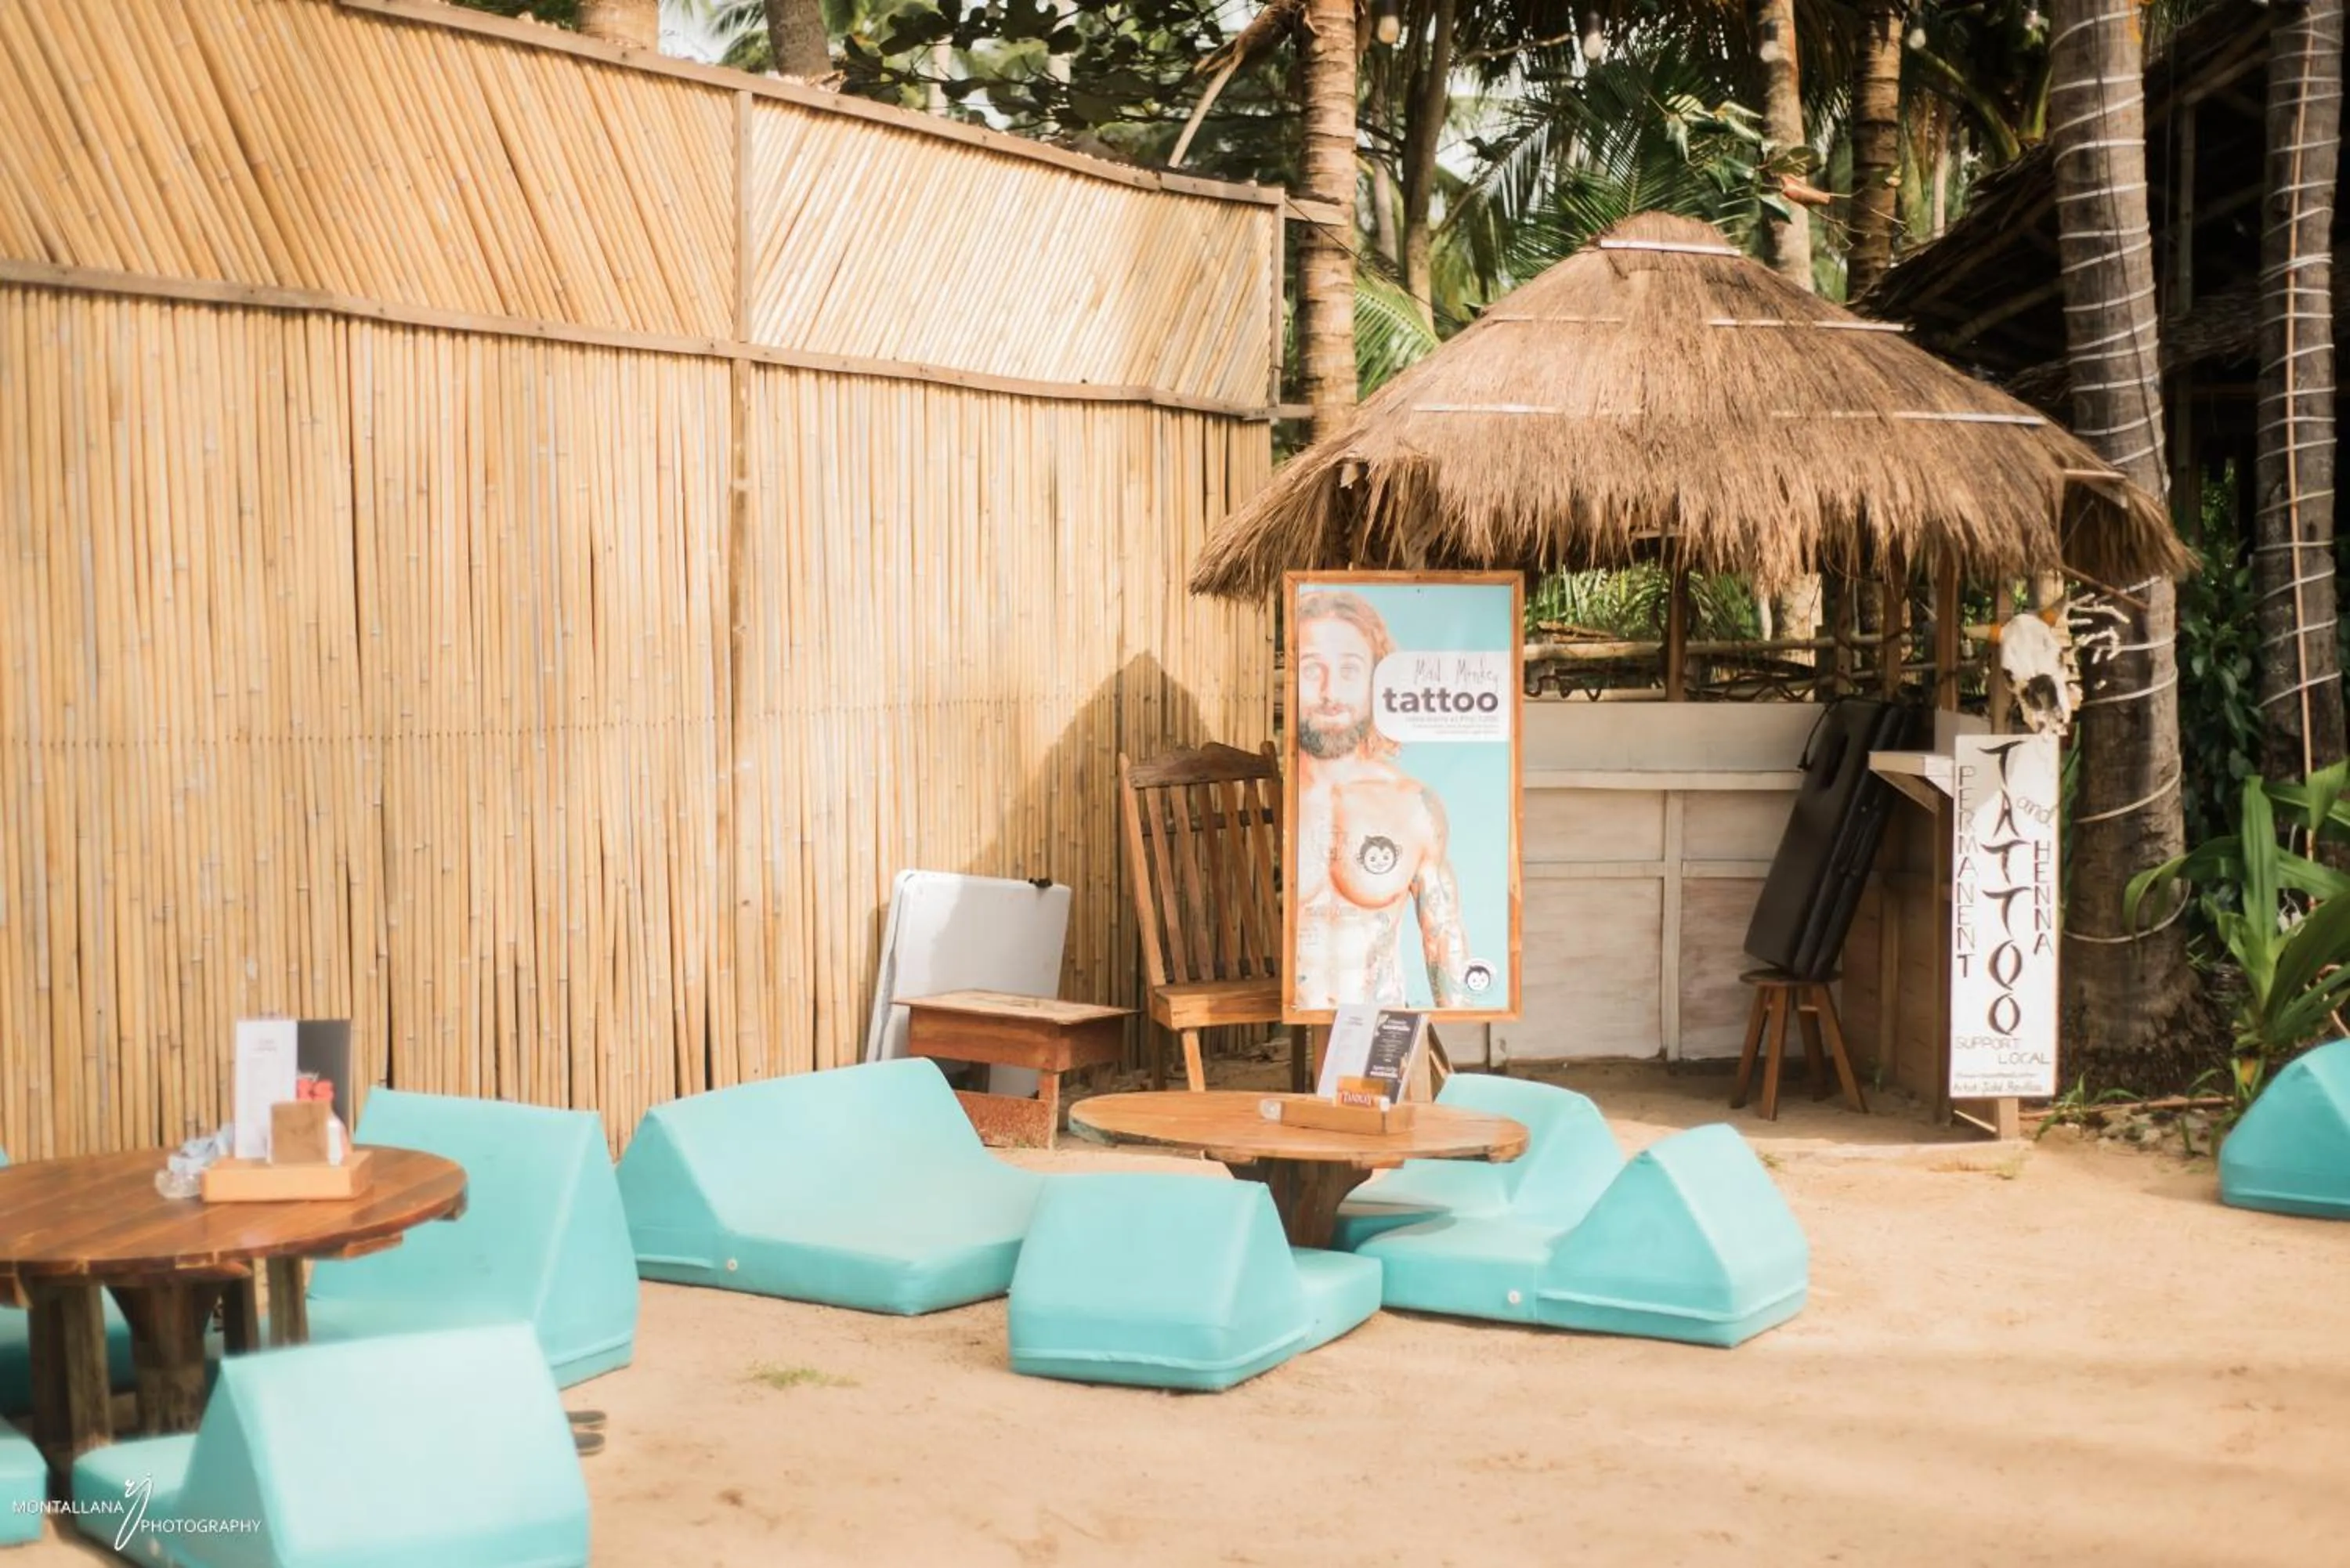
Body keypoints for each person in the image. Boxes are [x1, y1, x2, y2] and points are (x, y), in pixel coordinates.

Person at [1291, 590, 1475, 1010]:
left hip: (1381, 1026)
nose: (1329, 690)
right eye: (1311, 668)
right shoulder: (1277, 803)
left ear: (1377, 682)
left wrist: (1450, 1043)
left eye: (1350, 670)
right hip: (1291, 1032)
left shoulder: (1412, 805)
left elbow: (1442, 936)